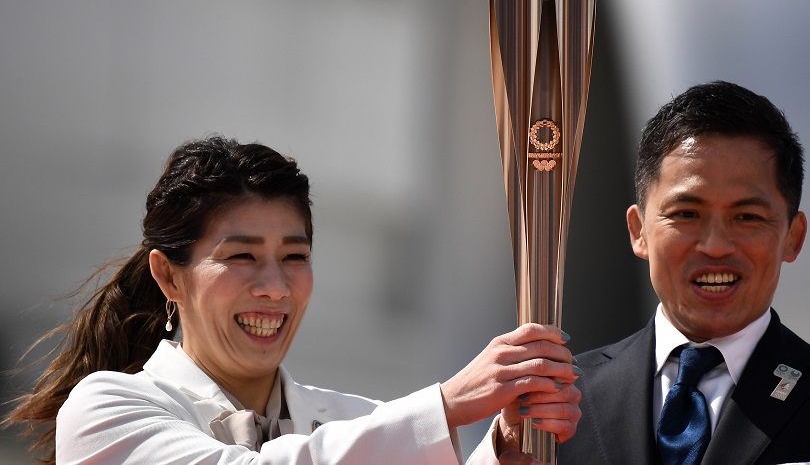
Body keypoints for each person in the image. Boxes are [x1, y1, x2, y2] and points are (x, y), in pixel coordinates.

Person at [5, 136, 580, 464]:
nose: (275, 287)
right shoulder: (109, 409)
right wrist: (447, 405)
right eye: (241, 256)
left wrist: (504, 448)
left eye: (295, 257)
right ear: (169, 276)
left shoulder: (361, 422)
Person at [558, 81, 810, 465]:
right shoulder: (561, 398)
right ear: (639, 231)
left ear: (793, 238)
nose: (715, 246)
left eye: (747, 217)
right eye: (686, 214)